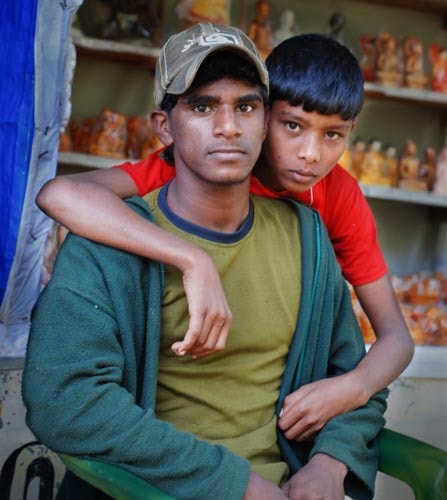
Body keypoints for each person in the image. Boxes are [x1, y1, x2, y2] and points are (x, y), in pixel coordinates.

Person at [24, 23, 387, 499]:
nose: (229, 126)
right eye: (201, 106)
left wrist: (330, 463)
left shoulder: (307, 239)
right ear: (163, 126)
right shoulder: (107, 241)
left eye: (247, 107)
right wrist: (237, 485)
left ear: (266, 122)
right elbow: (65, 402)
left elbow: (357, 378)